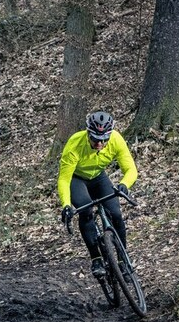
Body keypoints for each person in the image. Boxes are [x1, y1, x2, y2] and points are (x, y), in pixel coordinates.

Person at [57, 111, 138, 279]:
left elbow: (131, 169)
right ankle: (97, 259)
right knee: (86, 212)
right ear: (87, 133)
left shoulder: (116, 139)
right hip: (77, 179)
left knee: (116, 214)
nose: (100, 144)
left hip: (99, 177)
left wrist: (124, 185)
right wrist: (66, 204)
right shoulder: (75, 144)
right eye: (95, 139)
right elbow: (64, 179)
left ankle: (123, 260)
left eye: (104, 140)